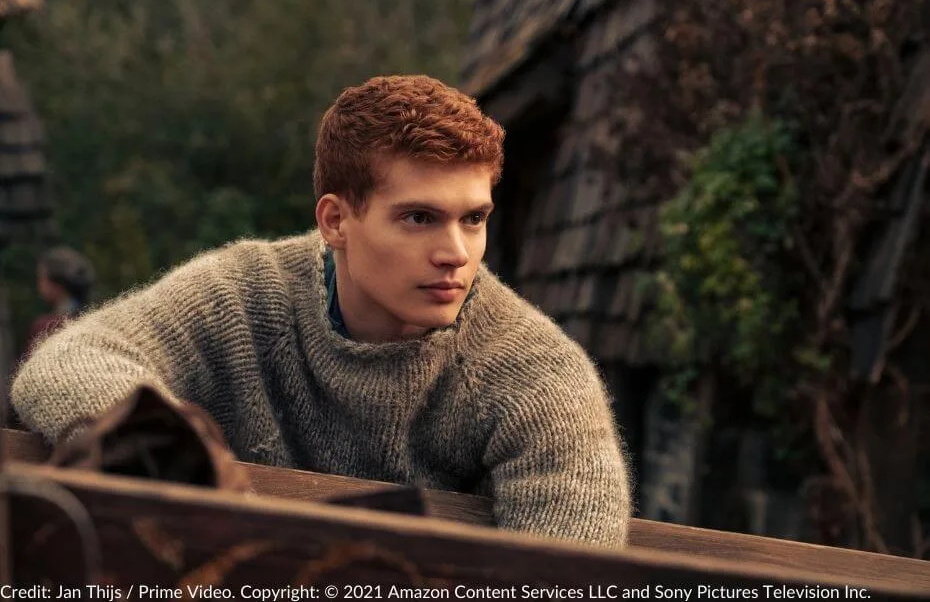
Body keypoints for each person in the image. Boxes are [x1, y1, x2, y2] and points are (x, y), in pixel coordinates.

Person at [11, 75, 632, 547]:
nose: (455, 253)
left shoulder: (538, 378)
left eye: (473, 219)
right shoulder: (245, 293)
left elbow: (573, 570)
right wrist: (178, 458)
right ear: (336, 220)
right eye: (419, 218)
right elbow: (73, 358)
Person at [21, 246, 95, 361]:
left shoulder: (45, 327)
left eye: (41, 278)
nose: (39, 284)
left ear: (57, 284)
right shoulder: (94, 320)